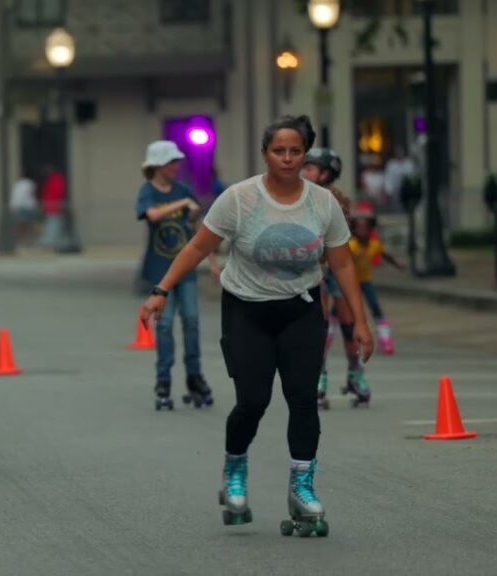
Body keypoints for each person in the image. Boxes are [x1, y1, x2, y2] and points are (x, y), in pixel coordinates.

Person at [140, 115, 373, 535]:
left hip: (301, 308)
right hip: (246, 309)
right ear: (265, 154)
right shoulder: (240, 199)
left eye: (295, 151)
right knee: (253, 400)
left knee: (303, 397)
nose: (287, 158)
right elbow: (197, 246)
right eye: (279, 151)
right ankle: (234, 469)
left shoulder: (322, 204)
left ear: (305, 154)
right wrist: (162, 289)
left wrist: (359, 320)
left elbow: (341, 261)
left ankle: (302, 487)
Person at [136, 140, 217, 410]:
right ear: (158, 165)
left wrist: (212, 260)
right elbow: (152, 215)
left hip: (187, 270)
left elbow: (199, 232)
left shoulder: (183, 189)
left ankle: (195, 377)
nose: (176, 166)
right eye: (171, 162)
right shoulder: (148, 191)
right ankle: (163, 380)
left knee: (192, 322)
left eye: (176, 162)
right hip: (160, 272)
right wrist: (182, 203)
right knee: (165, 324)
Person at [301, 148, 367, 409]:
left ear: (325, 174)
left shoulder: (336, 199)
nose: (305, 172)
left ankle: (355, 373)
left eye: (310, 168)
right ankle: (319, 377)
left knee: (349, 329)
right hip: (313, 270)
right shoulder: (299, 196)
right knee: (321, 329)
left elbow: (338, 238)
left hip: (335, 269)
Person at [350, 205, 404, 355]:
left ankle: (385, 339)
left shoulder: (374, 245)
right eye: (359, 228)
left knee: (375, 308)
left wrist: (398, 264)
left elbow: (385, 255)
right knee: (342, 311)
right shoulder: (351, 245)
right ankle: (332, 336)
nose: (363, 232)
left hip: (366, 281)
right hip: (351, 284)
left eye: (366, 229)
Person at [38, 164, 66, 249]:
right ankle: (50, 241)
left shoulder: (56, 179)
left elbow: (57, 192)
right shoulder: (51, 179)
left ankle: (50, 241)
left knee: (54, 224)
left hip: (54, 205)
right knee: (52, 223)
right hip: (50, 206)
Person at [9, 173, 39, 245]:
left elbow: (20, 197)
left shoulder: (26, 184)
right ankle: (23, 241)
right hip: (24, 207)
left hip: (25, 207)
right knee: (24, 225)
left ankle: (27, 240)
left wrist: (14, 206)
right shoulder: (19, 184)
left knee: (25, 225)